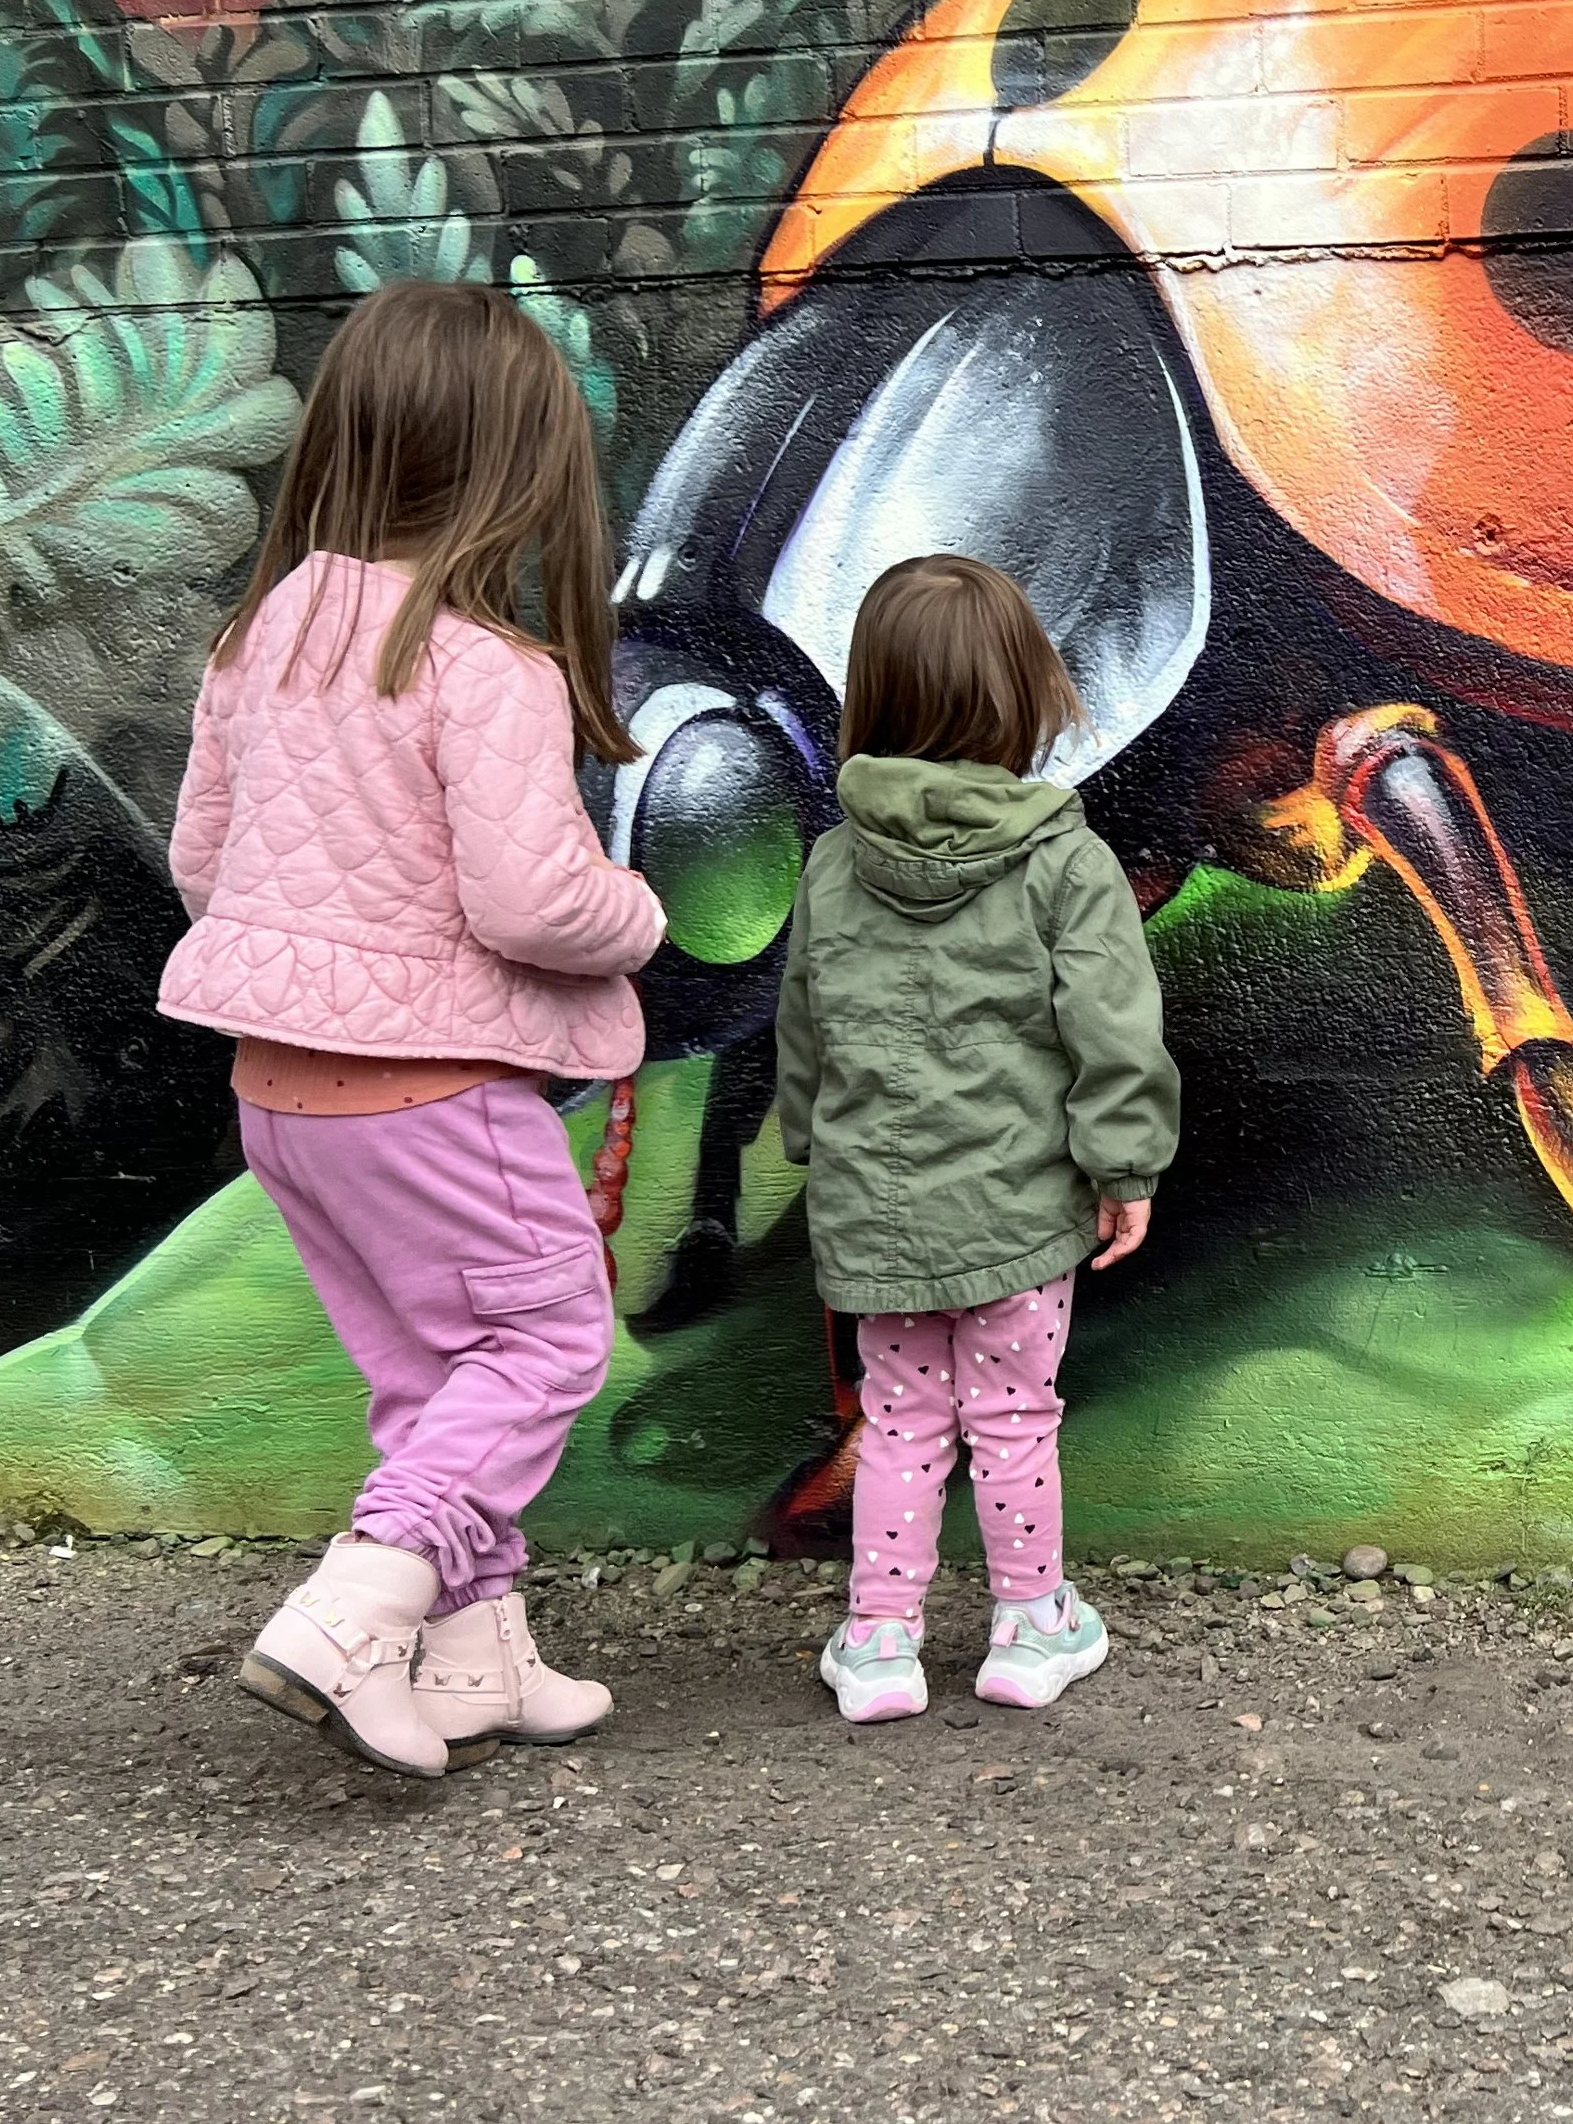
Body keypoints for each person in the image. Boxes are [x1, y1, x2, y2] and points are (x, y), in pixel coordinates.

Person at [158, 283, 666, 1780]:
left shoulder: (258, 642)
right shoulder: (483, 667)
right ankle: (357, 1608)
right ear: (521, 470)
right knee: (548, 1338)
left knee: (437, 1381)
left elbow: (205, 865)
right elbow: (530, 900)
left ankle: (474, 1658)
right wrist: (635, 914)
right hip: (433, 1095)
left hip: (284, 1099)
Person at [775, 554, 1181, 1723]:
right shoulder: (1064, 860)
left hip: (877, 1209)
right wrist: (1124, 1165)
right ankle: (1028, 1625)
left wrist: (811, 1137)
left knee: (900, 1416)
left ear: (876, 697)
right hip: (1017, 1210)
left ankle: (882, 1639)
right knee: (1011, 1417)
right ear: (1022, 696)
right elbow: (1114, 1029)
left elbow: (807, 1022)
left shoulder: (834, 860)